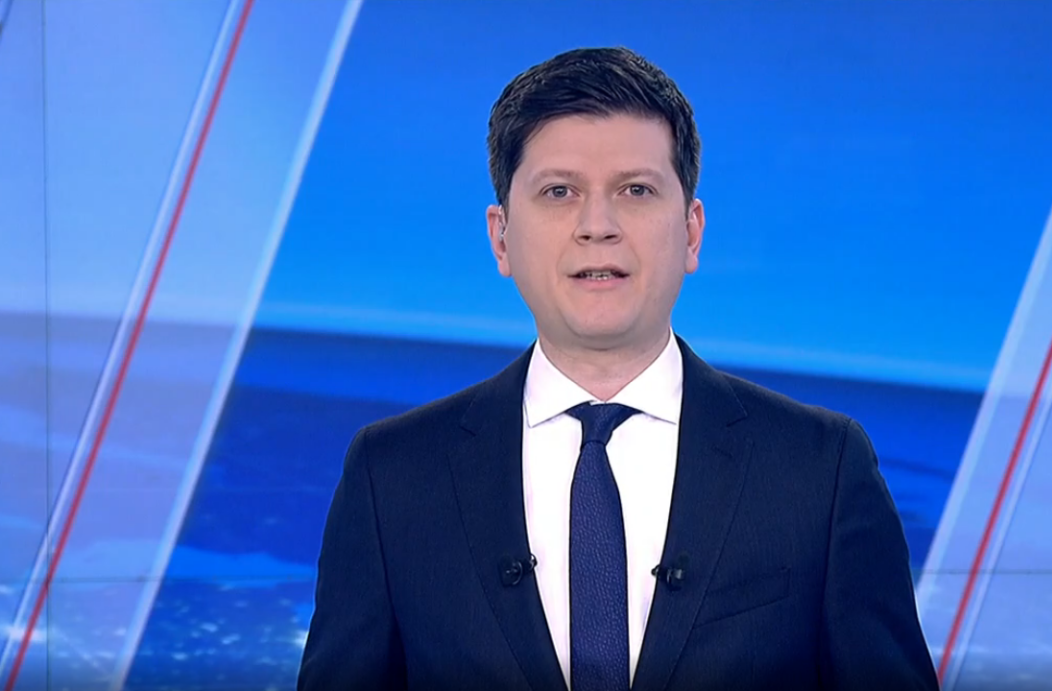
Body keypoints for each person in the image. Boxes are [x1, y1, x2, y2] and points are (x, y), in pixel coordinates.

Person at [297, 46, 938, 691]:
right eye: (559, 192)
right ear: (501, 237)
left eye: (635, 190)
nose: (596, 226)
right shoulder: (393, 478)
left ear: (691, 232)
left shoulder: (820, 469)